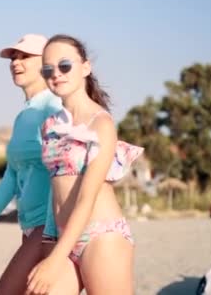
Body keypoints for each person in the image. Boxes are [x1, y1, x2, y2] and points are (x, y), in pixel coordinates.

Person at [0, 34, 79, 294]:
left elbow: (66, 172)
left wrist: (48, 233)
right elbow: (11, 177)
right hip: (29, 228)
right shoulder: (24, 114)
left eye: (25, 56)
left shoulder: (54, 105)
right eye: (13, 57)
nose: (15, 62)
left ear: (45, 62)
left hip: (49, 229)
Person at [26, 34, 143, 294]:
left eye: (65, 65)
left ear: (85, 68)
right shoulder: (49, 125)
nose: (56, 74)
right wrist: (49, 239)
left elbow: (86, 198)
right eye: (48, 70)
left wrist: (56, 259)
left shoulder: (101, 124)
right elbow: (54, 192)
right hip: (60, 236)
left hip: (101, 237)